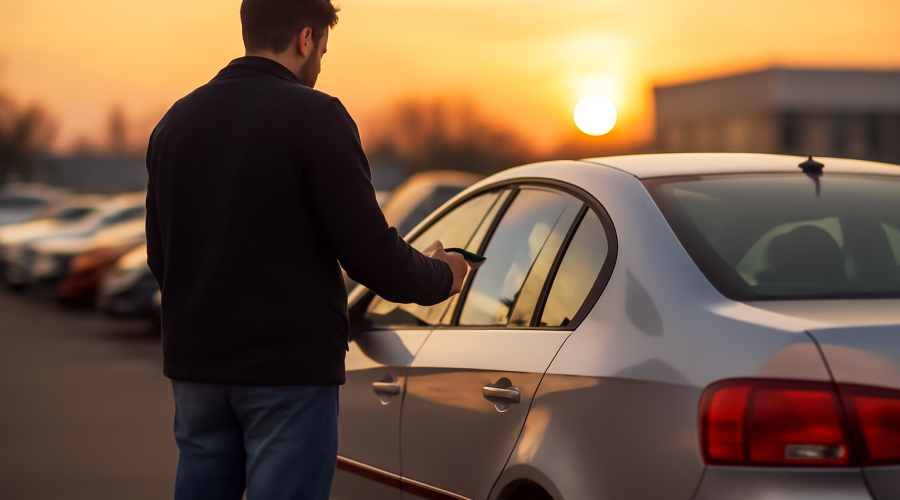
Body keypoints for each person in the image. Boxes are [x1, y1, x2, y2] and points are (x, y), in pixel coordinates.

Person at [144, 0, 469, 499]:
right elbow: (370, 254)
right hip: (287, 376)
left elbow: (161, 258)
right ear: (305, 39)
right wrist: (443, 274)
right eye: (322, 47)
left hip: (196, 370)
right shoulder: (317, 116)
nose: (320, 62)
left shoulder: (175, 122)